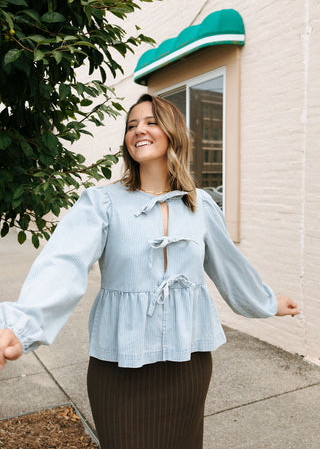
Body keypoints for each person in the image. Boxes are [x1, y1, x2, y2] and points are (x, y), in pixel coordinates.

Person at [0, 93, 299, 449]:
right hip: (120, 368)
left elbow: (230, 267)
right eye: (131, 125)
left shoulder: (200, 205)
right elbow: (63, 263)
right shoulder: (102, 203)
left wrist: (267, 303)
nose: (138, 130)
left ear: (173, 132)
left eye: (150, 121)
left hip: (188, 364)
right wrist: (20, 326)